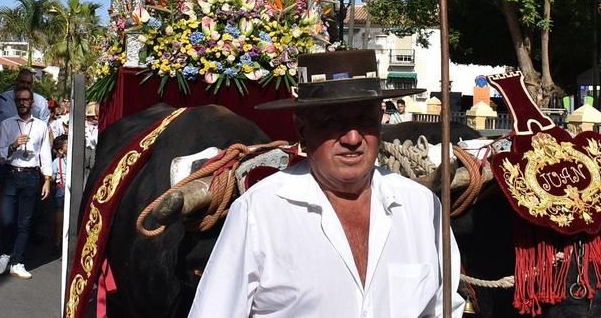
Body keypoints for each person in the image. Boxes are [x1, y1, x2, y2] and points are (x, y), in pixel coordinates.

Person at [189, 50, 464, 317]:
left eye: (365, 121)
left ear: (381, 124)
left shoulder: (422, 208)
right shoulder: (259, 212)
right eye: (334, 122)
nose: (353, 138)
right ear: (302, 131)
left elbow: (443, 308)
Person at [0, 84, 52, 279]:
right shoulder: (7, 124)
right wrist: (13, 145)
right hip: (11, 173)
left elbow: (44, 153)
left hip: (31, 176)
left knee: (25, 222)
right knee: (7, 219)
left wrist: (47, 179)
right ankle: (5, 253)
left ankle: (17, 261)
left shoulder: (41, 126)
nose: (22, 103)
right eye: (19, 100)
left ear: (32, 103)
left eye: (25, 100)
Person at [51, 133, 68, 254]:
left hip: (70, 189)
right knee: (59, 218)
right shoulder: (57, 162)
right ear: (61, 150)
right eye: (67, 145)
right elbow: (52, 176)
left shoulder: (75, 160)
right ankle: (57, 240)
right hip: (61, 189)